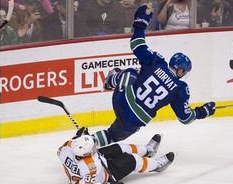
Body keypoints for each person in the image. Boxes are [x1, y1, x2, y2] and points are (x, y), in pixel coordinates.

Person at [91, 5, 216, 147]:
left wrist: (140, 24)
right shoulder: (180, 88)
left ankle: (111, 80)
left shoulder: (157, 62)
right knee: (112, 135)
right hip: (135, 120)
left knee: (133, 73)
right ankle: (92, 142)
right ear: (181, 71)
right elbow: (185, 118)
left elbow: (137, 44)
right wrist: (203, 111)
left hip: (121, 101)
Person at [57, 127, 175, 184]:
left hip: (94, 160)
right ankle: (156, 165)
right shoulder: (91, 168)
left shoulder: (67, 147)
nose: (95, 147)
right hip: (106, 174)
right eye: (92, 147)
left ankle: (147, 150)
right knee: (132, 160)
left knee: (120, 147)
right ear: (85, 154)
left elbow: (70, 146)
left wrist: (79, 137)